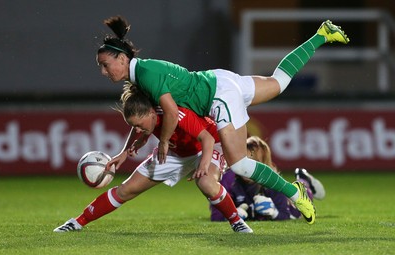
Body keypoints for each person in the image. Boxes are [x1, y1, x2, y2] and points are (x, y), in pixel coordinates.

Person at [97, 15, 350, 224]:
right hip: (218, 80)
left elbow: (171, 113)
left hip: (217, 96)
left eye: (106, 65)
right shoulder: (141, 72)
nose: (103, 71)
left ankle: (296, 192)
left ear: (122, 58)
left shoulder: (146, 75)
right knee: (279, 82)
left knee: (239, 164)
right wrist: (128, 149)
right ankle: (321, 34)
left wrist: (162, 142)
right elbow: (146, 116)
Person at [54, 86, 253, 233]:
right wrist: (124, 151)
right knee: (126, 189)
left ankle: (237, 222)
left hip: (208, 146)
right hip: (174, 152)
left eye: (141, 125)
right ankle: (77, 222)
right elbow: (137, 128)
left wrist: (203, 164)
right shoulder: (146, 117)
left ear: (151, 113)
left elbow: (207, 138)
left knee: (206, 182)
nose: (139, 130)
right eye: (135, 127)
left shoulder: (177, 114)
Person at [211, 136, 326, 221]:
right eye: (244, 161)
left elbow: (286, 215)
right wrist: (232, 216)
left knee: (299, 203)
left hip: (291, 207)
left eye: (254, 163)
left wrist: (274, 213)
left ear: (263, 164)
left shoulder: (272, 181)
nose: (247, 168)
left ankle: (304, 181)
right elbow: (216, 216)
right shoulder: (228, 179)